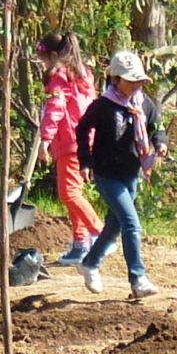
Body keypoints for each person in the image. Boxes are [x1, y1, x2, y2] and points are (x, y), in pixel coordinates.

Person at [76, 49, 167, 301]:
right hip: (107, 174)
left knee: (115, 224)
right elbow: (82, 128)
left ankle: (90, 262)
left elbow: (156, 125)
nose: (137, 84)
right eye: (131, 79)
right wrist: (85, 160)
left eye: (139, 79)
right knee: (131, 222)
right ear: (116, 79)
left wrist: (159, 142)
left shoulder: (144, 103)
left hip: (131, 173)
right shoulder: (104, 106)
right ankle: (138, 278)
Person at [34, 30, 102, 266]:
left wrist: (45, 139)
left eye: (44, 60)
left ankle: (100, 233)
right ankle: (81, 243)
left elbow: (56, 107)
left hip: (69, 140)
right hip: (83, 139)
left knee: (68, 193)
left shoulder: (60, 76)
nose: (43, 65)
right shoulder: (81, 74)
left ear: (53, 55)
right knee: (74, 192)